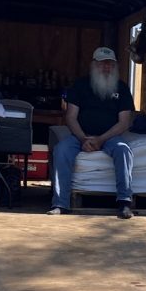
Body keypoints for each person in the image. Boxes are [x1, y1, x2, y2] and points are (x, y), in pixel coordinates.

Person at [48, 47, 136, 219]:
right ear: (94, 65)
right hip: (81, 135)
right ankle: (60, 204)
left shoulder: (122, 88)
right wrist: (83, 139)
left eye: (110, 64)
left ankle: (124, 202)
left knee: (124, 150)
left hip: (110, 137)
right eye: (102, 64)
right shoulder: (80, 85)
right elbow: (70, 117)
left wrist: (101, 140)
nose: (106, 67)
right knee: (61, 150)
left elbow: (124, 122)